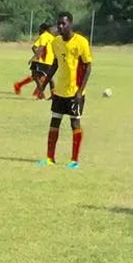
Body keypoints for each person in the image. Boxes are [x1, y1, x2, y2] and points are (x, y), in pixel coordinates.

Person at [37, 12, 93, 169]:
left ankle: (74, 160)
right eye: (58, 24)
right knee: (54, 122)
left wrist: (80, 91)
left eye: (63, 23)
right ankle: (49, 158)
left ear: (71, 24)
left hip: (74, 92)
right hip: (59, 91)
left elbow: (88, 67)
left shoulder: (81, 42)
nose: (60, 26)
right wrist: (44, 83)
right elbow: (55, 64)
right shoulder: (56, 42)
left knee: (75, 123)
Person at [14, 23, 55, 99]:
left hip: (42, 60)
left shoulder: (43, 36)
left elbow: (37, 47)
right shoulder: (52, 37)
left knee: (36, 76)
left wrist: (35, 56)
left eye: (40, 29)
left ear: (43, 29)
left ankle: (40, 94)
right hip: (50, 60)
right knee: (48, 78)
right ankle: (52, 95)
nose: (39, 31)